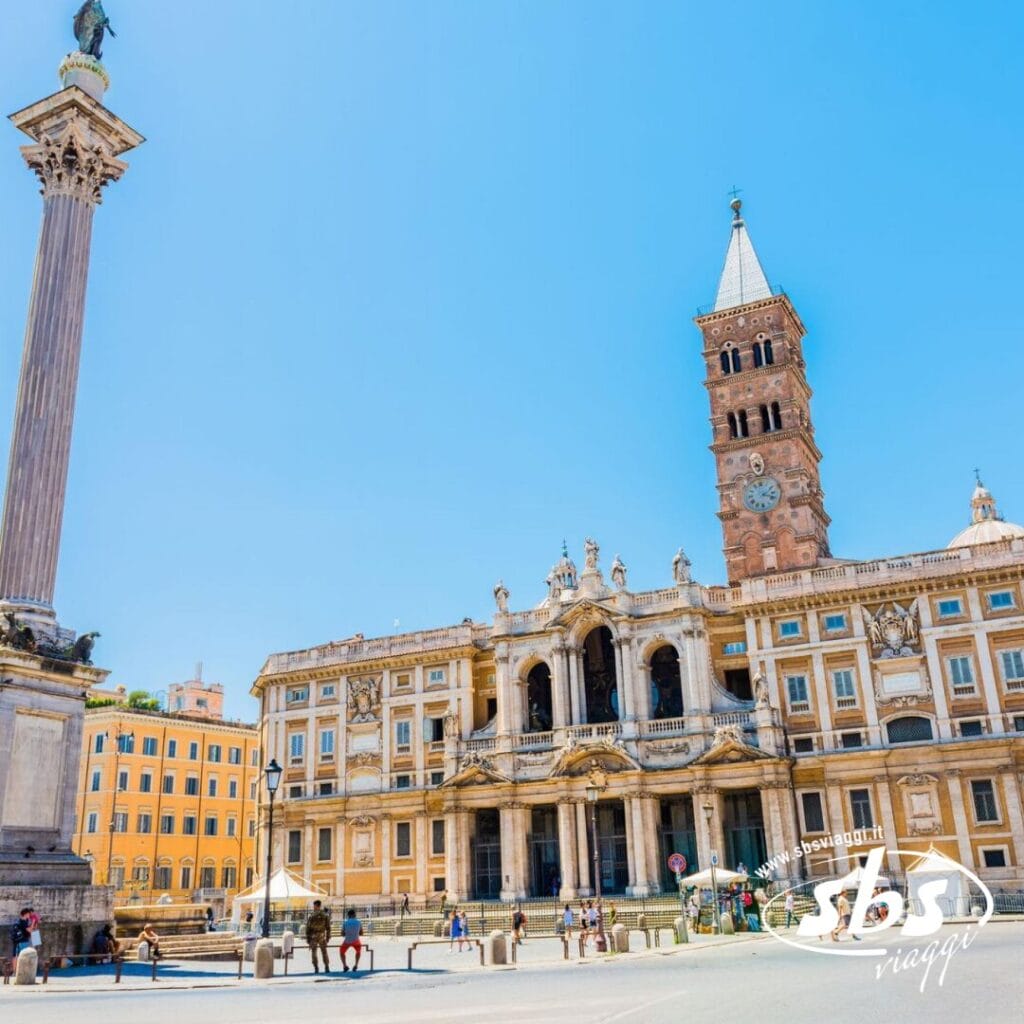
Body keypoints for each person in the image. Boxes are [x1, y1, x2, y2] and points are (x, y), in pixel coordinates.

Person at [305, 899, 332, 974]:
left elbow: (308, 928)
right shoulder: (325, 915)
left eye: (314, 906)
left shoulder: (312, 916)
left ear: (316, 906)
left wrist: (308, 938)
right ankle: (327, 967)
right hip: (322, 936)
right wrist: (327, 937)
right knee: (324, 952)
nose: (313, 907)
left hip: (313, 936)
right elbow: (328, 927)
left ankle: (316, 968)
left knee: (314, 952)